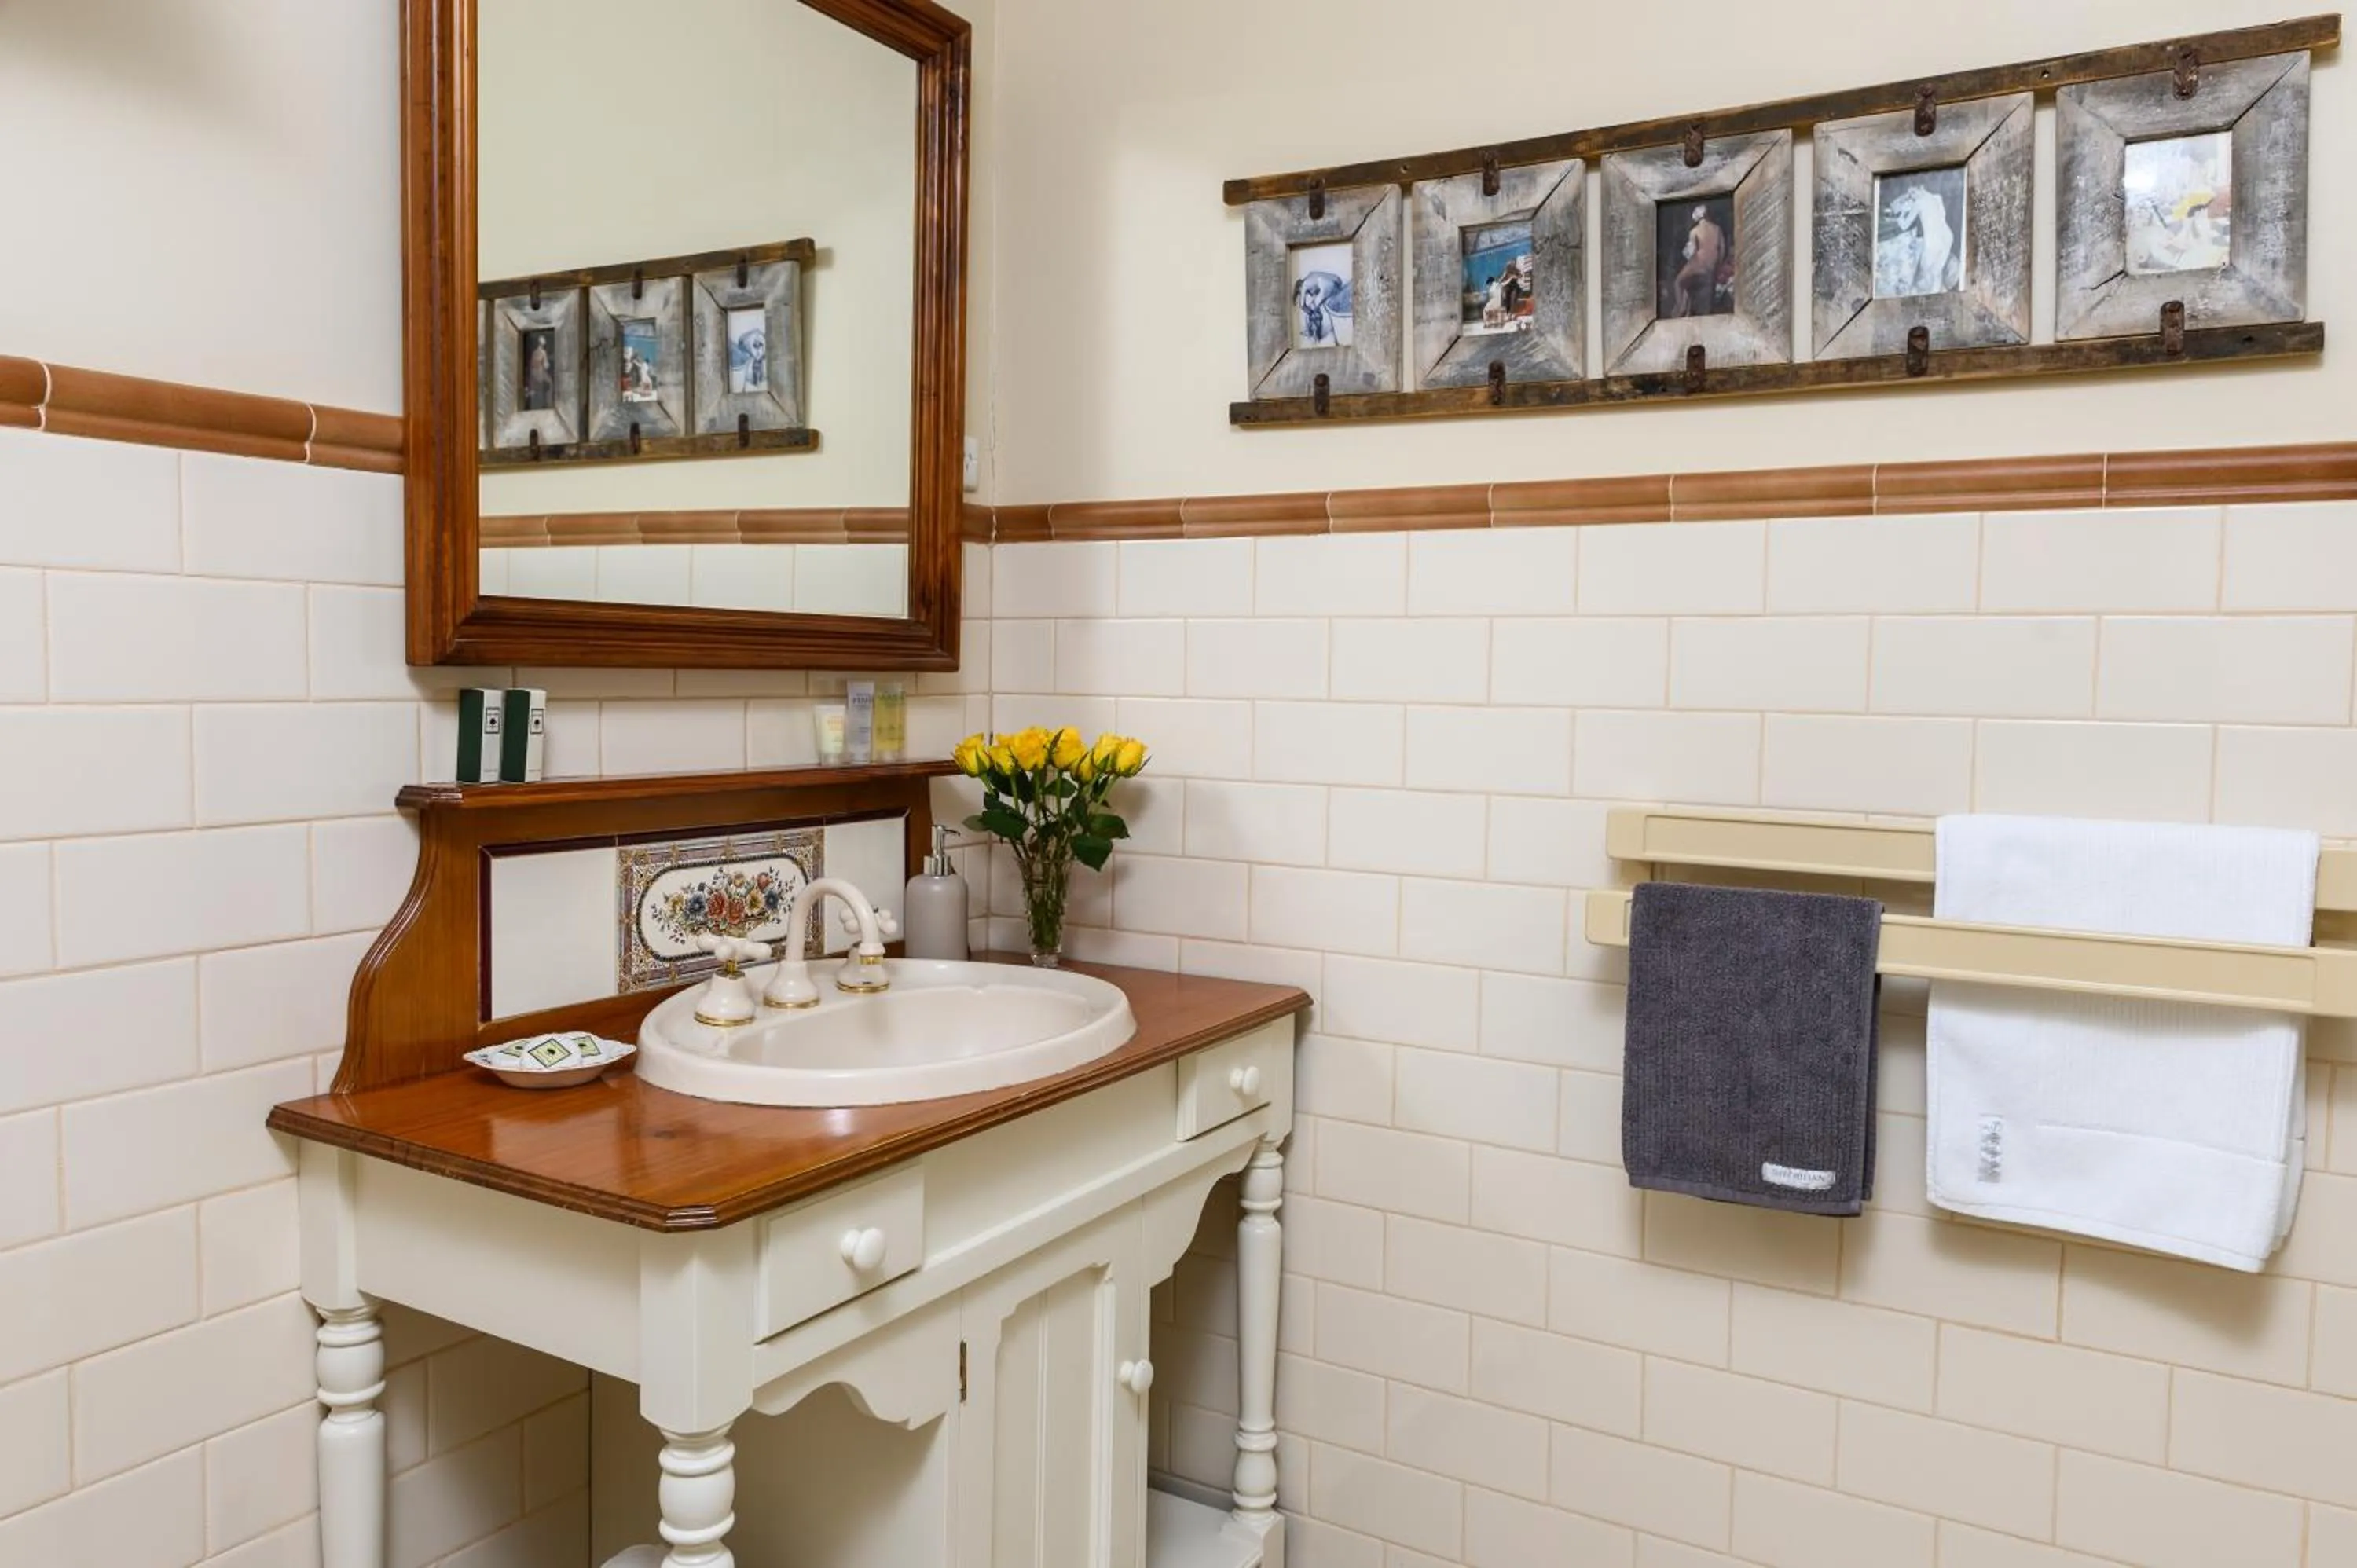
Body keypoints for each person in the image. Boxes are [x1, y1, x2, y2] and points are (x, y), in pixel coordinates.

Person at [1669, 204, 1726, 318]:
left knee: (1678, 282)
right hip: (1711, 267)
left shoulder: (1694, 231)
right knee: (1690, 284)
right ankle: (1686, 304)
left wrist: (1685, 252)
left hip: (1698, 264)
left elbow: (1692, 253)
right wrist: (1716, 266)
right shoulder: (1717, 229)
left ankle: (1681, 306)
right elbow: (1722, 250)